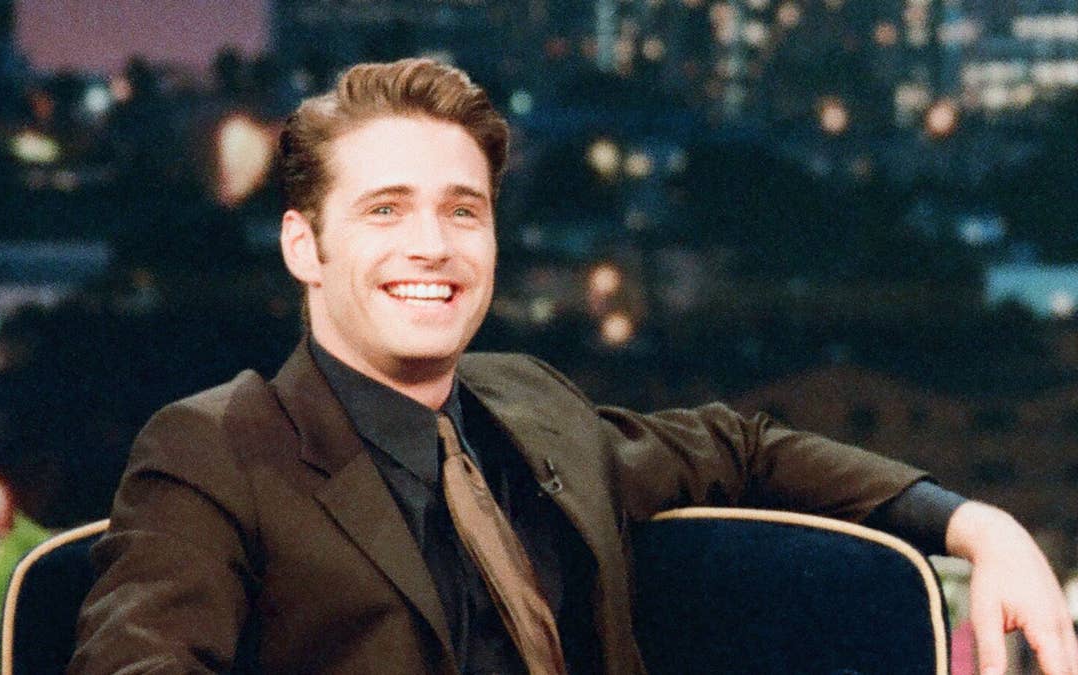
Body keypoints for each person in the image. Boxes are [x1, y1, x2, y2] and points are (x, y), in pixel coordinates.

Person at [71, 58, 1078, 674]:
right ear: (305, 245)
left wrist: (976, 525)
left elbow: (743, 446)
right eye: (385, 211)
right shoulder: (215, 449)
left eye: (463, 211)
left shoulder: (531, 408)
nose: (432, 246)